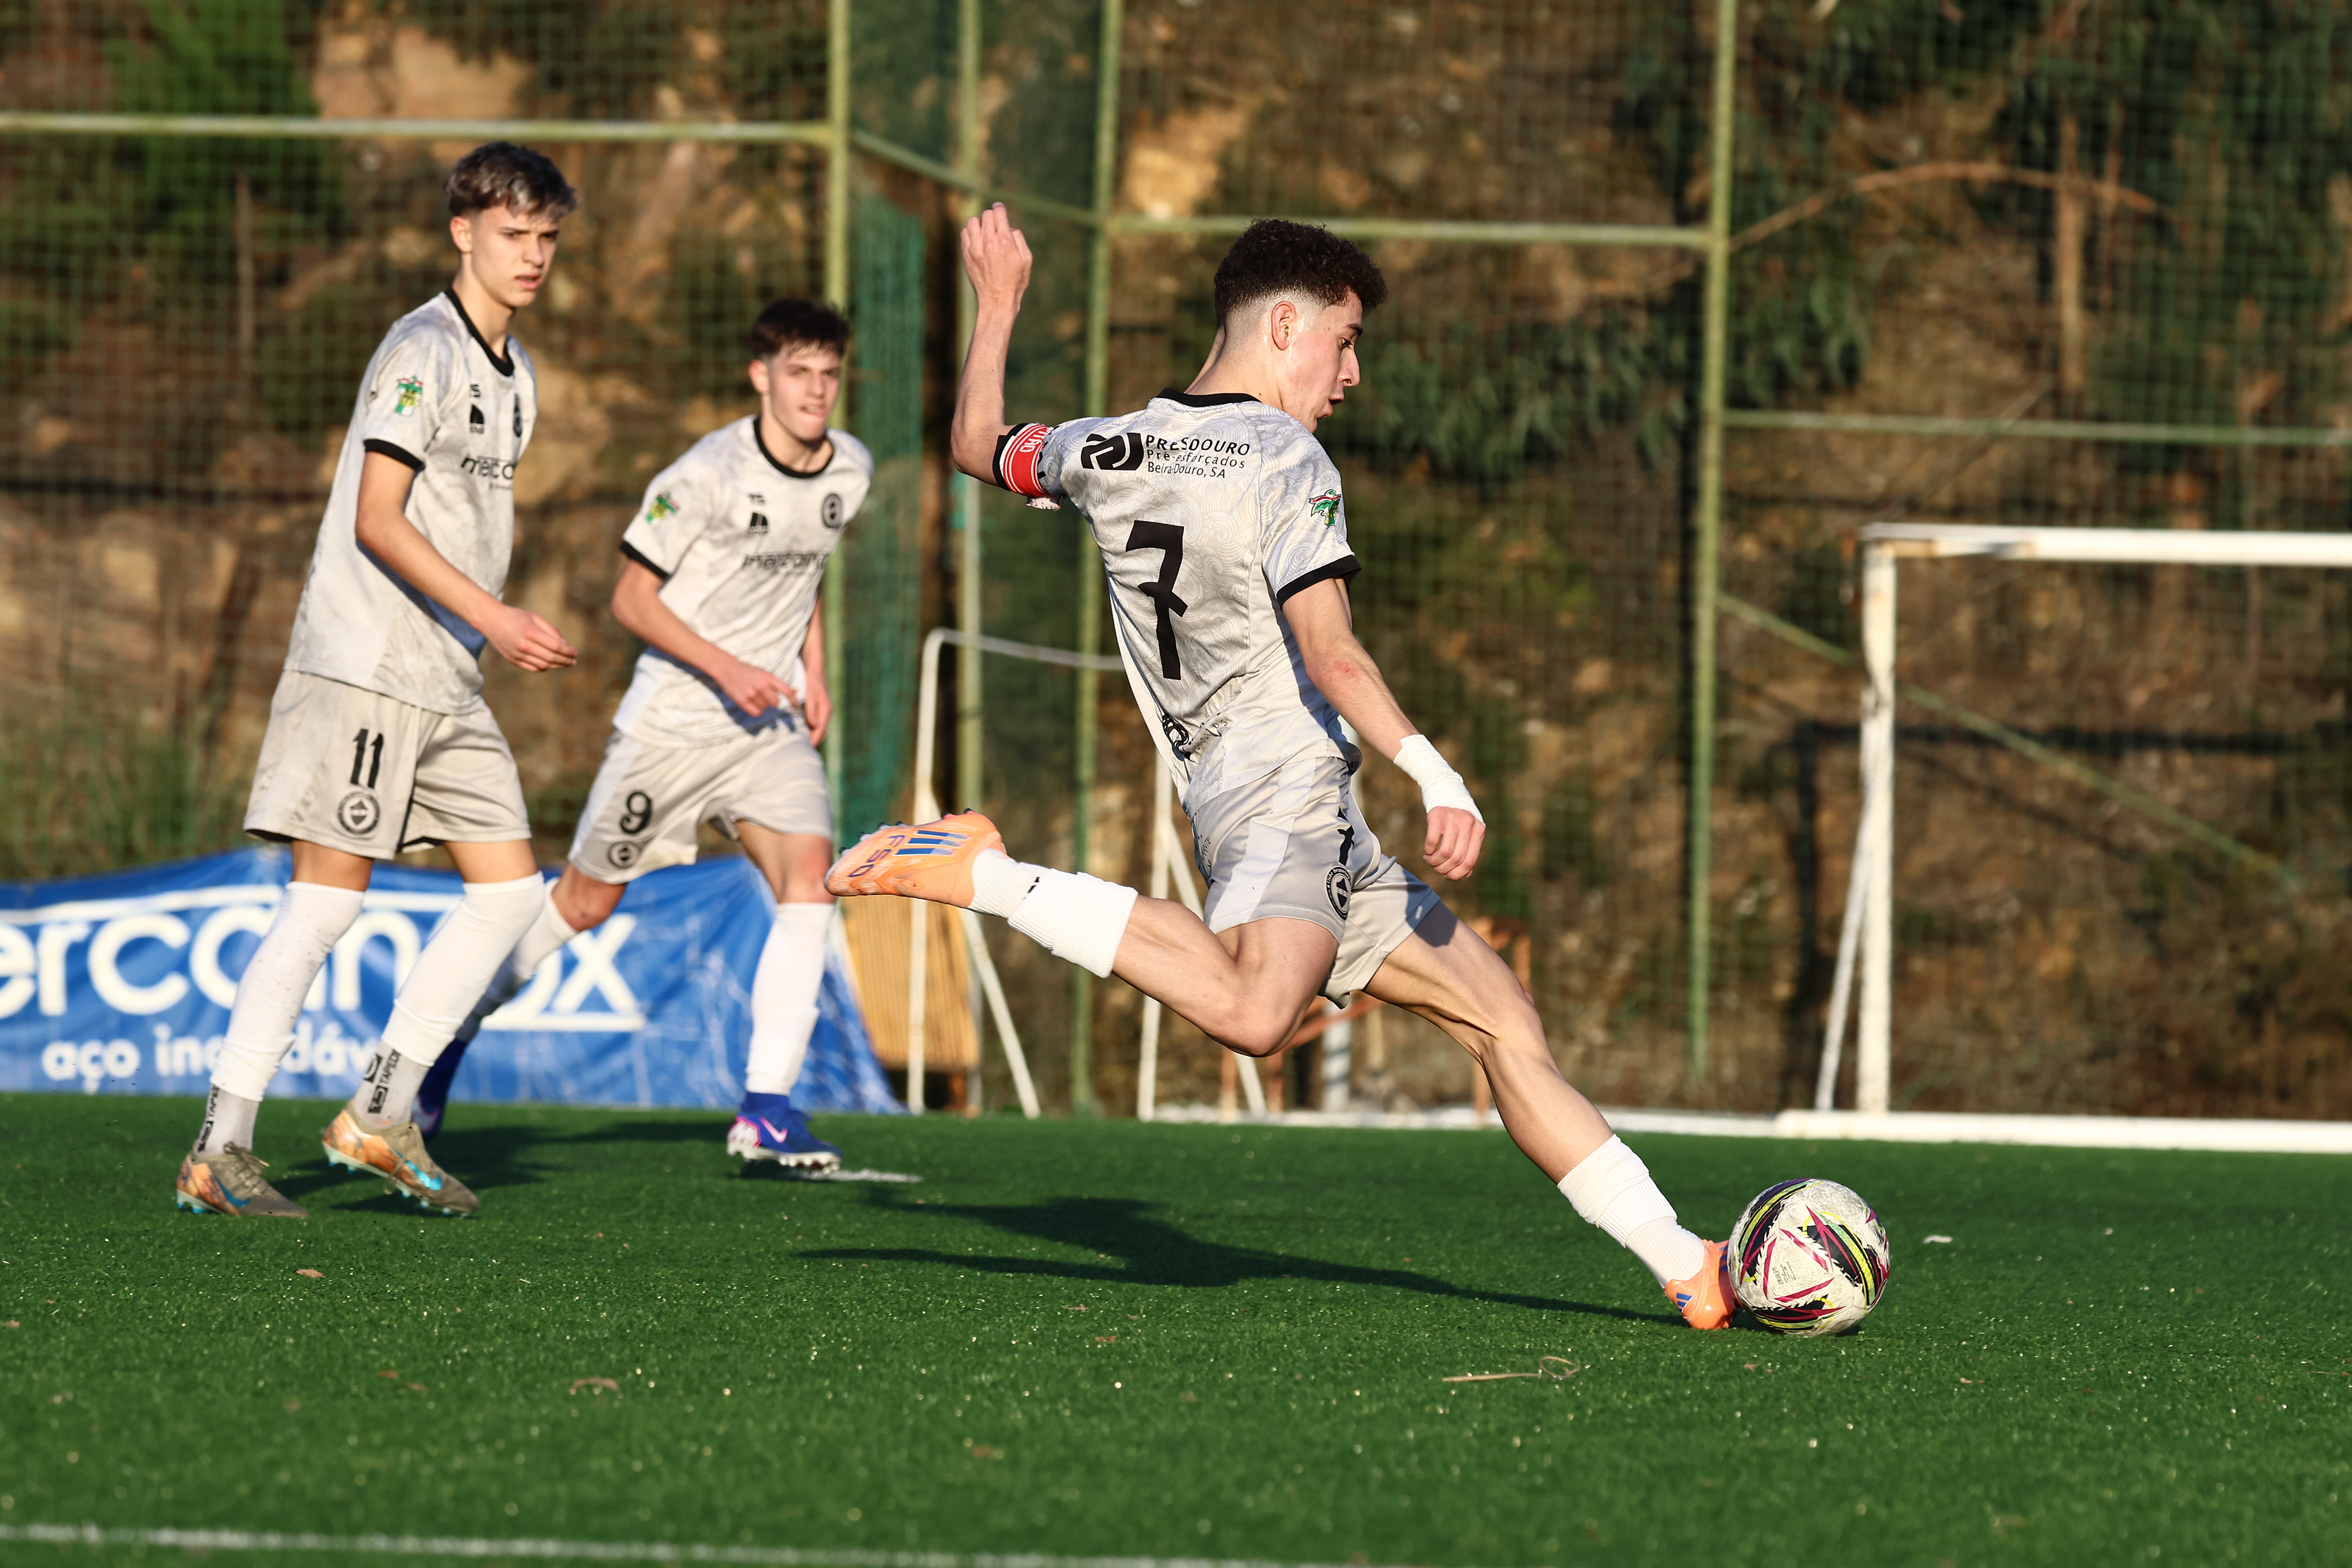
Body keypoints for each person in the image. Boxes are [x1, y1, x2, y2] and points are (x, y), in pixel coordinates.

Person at [827, 208, 1736, 1328]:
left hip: (1300, 811)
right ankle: (988, 876)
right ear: (1286, 325)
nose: (1351, 374)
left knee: (1506, 1022)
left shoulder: (1106, 446)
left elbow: (978, 445)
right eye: (1344, 343)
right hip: (1282, 797)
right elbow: (1331, 652)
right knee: (1259, 1014)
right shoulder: (1286, 457)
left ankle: (1690, 1266)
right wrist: (1436, 773)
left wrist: (1000, 303)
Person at [174, 143, 579, 1219]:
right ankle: (220, 1147)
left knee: (510, 895)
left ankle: (379, 1112)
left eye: (546, 237)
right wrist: (498, 616)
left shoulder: (519, 374)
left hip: (446, 676)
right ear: (462, 231)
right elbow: (375, 520)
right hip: (364, 666)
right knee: (324, 905)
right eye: (513, 234)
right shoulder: (422, 349)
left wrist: (481, 632)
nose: (533, 255)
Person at [410, 299, 870, 1172]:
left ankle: (767, 1109)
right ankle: (445, 1034)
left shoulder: (851, 467)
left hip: (767, 729)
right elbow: (631, 600)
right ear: (760, 377)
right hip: (674, 727)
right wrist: (728, 669)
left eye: (829, 374)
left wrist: (814, 668)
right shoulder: (704, 475)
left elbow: (807, 572)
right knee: (585, 903)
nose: (816, 390)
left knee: (811, 882)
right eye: (799, 373)